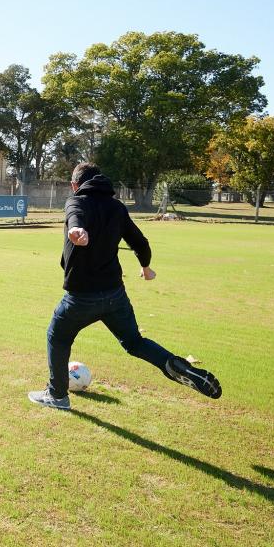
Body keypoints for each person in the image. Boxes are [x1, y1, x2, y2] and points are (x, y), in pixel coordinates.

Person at [28, 162, 222, 410]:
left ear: (75, 185)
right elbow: (140, 242)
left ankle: (57, 395)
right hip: (114, 296)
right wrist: (145, 267)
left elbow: (74, 214)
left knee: (57, 337)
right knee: (134, 342)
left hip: (81, 298)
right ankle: (174, 364)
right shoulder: (117, 207)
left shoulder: (75, 201)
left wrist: (76, 229)